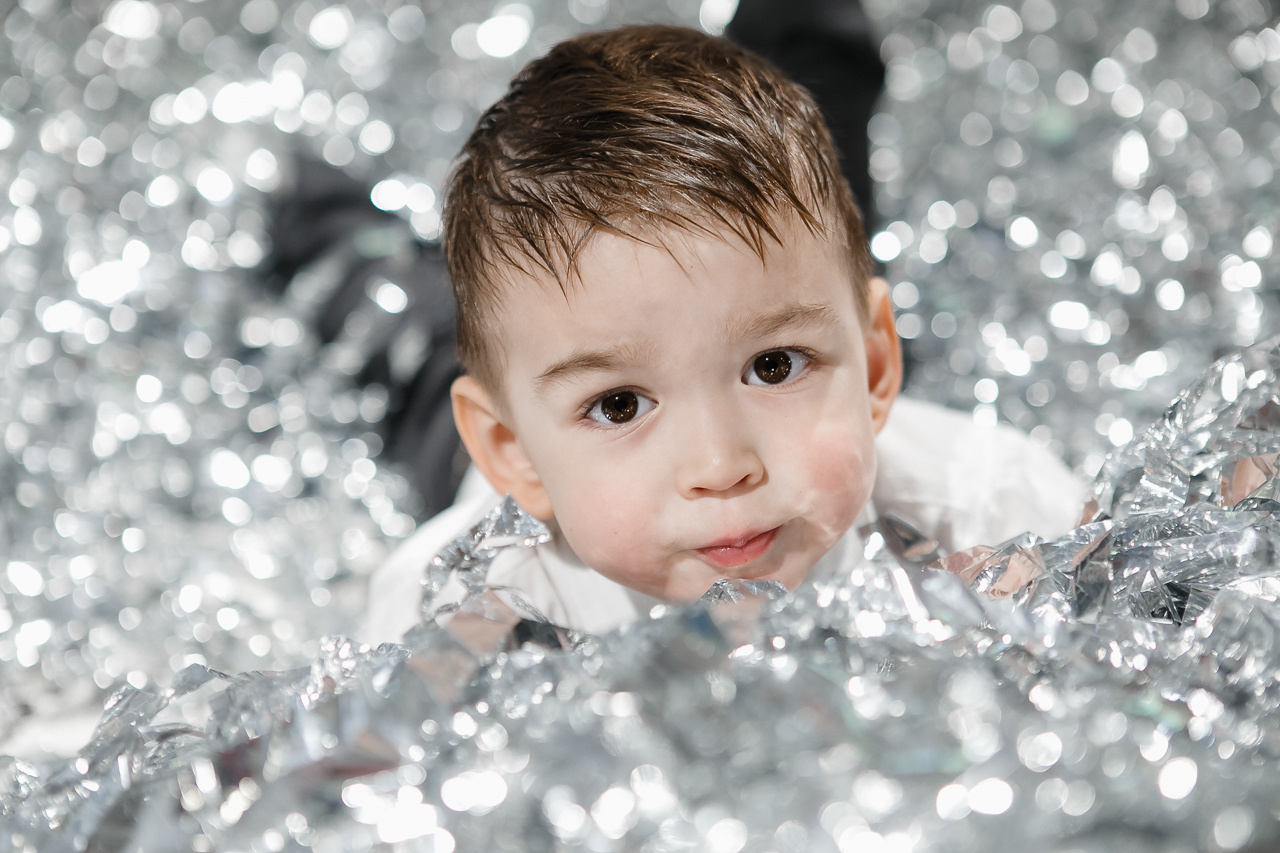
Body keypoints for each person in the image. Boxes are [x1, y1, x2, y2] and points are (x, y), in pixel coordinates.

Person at [360, 25, 1085, 644]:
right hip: (462, 449)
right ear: (512, 452)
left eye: (773, 367)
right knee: (392, 315)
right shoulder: (461, 612)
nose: (719, 464)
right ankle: (320, 214)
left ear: (873, 365)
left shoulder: (989, 512)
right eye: (618, 405)